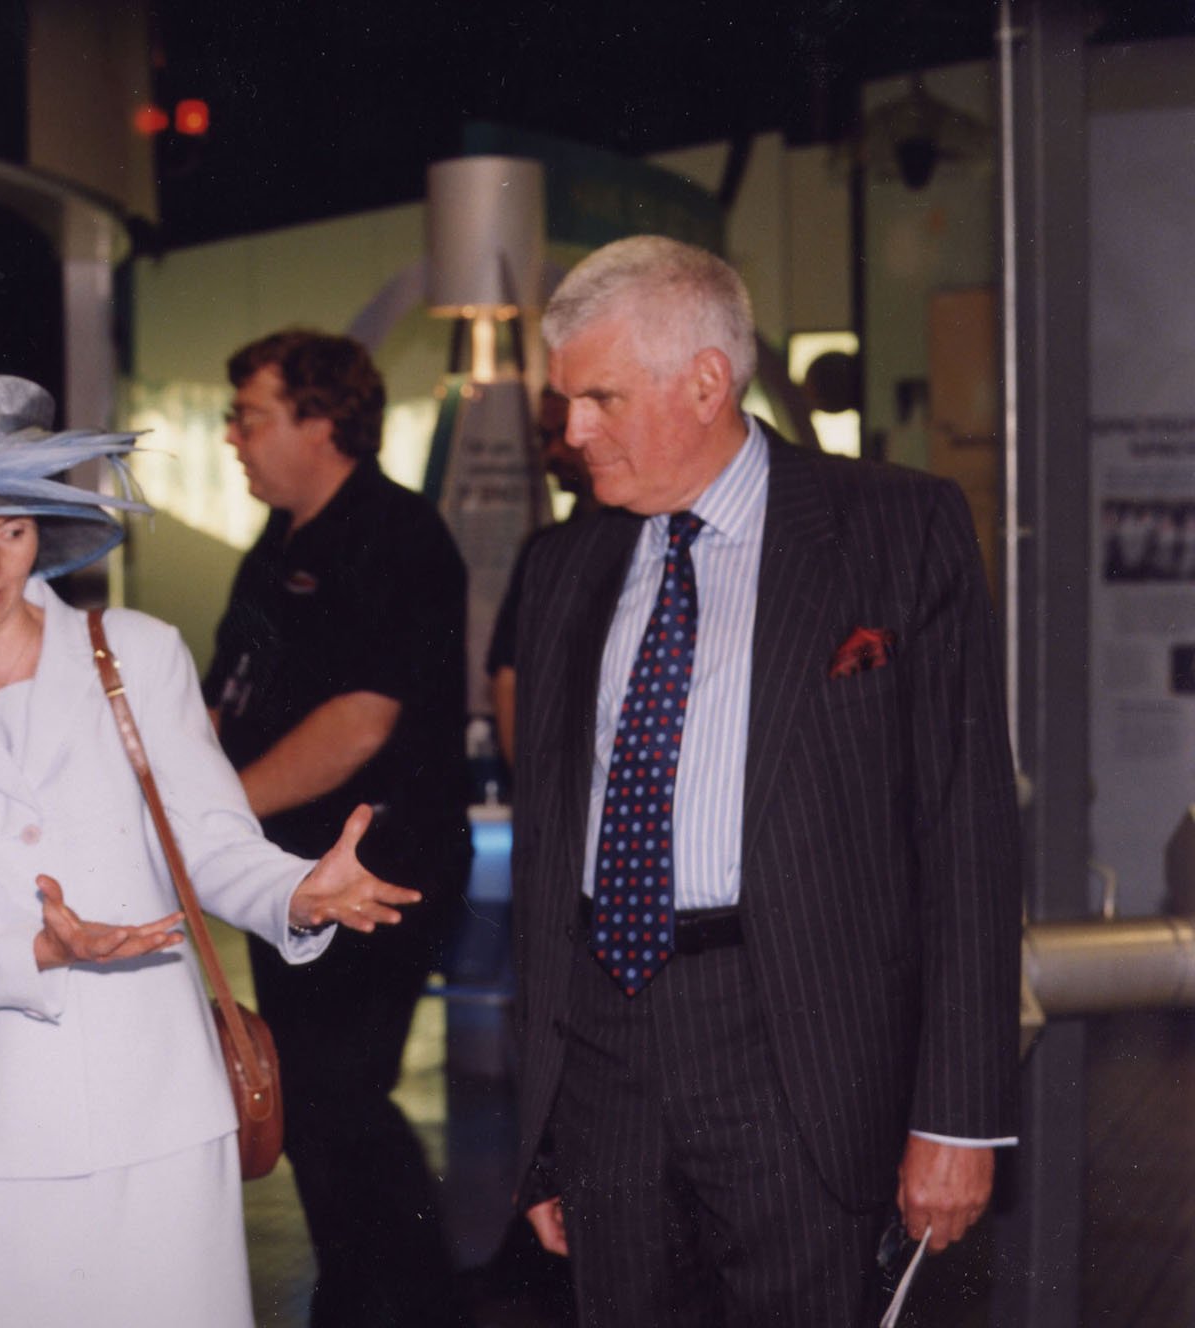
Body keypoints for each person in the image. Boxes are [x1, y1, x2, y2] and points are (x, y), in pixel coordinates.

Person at [0, 374, 421, 1327]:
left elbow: (212, 839)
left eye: (12, 530)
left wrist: (298, 892)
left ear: (43, 534)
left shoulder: (135, 653)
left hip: (162, 1111)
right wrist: (38, 952)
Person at [509, 235, 1021, 1324]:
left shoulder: (894, 528)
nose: (572, 432)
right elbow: (553, 849)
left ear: (705, 380)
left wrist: (961, 1115)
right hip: (606, 1054)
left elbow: (965, 835)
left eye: (597, 397)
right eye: (567, 403)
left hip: (799, 1053)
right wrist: (545, 1134)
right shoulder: (563, 566)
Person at [204, 330, 470, 1327]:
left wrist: (213, 816)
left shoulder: (396, 537)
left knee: (340, 1096)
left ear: (322, 419)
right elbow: (224, 701)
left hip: (380, 870)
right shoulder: (275, 548)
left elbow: (363, 718)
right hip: (289, 874)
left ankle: (415, 1303)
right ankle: (363, 1296)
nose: (233, 437)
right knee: (310, 1100)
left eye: (251, 415)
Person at [488, 385, 590, 767]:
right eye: (544, 438)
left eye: (562, 434)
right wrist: (536, 795)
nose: (553, 454)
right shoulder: (547, 552)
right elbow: (508, 679)